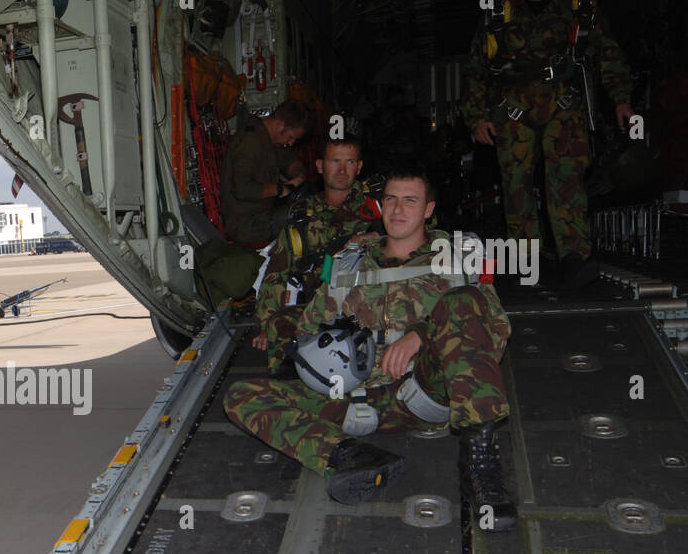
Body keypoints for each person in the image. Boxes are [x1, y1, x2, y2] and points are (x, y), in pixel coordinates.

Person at [224, 168, 518, 531]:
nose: (398, 209)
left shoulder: (458, 257)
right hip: (356, 396)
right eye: (391, 199)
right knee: (242, 395)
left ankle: (481, 464)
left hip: (427, 388)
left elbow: (497, 329)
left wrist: (421, 334)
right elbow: (308, 329)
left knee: (461, 302)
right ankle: (352, 455)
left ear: (429, 209)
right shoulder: (351, 261)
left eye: (410, 201)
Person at [462, 0, 633, 289]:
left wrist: (621, 98)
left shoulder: (578, 5)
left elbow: (608, 52)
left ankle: (574, 257)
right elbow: (475, 66)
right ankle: (527, 260)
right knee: (515, 186)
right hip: (511, 109)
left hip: (564, 104)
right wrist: (476, 116)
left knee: (567, 180)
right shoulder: (500, 11)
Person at [252, 134, 382, 365]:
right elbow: (277, 275)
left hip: (369, 306)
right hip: (317, 310)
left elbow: (416, 237)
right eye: (335, 161)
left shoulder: (380, 208)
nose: (342, 170)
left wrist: (380, 239)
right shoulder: (302, 218)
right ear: (320, 166)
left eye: (349, 162)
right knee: (281, 335)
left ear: (359, 166)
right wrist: (267, 325)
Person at [218, 99, 310, 246]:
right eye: (291, 137)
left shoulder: (270, 140)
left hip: (261, 214)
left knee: (312, 207)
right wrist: (279, 189)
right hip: (245, 224)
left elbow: (291, 161)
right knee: (305, 218)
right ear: (280, 125)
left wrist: (298, 175)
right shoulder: (251, 141)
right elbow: (241, 189)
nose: (291, 143)